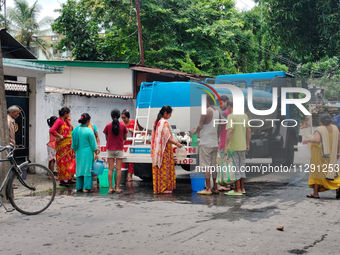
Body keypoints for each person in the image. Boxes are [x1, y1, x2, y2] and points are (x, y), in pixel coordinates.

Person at [302, 113, 340, 199]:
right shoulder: (335, 129)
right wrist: (338, 153)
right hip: (331, 154)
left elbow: (317, 140)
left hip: (320, 154)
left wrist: (307, 140)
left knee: (317, 172)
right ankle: (338, 187)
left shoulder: (320, 129)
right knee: (332, 171)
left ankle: (315, 193)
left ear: (321, 122)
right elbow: (339, 141)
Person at [191, 95, 221, 195]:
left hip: (206, 142)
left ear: (207, 102)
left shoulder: (205, 111)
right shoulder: (218, 112)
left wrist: (195, 132)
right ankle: (215, 187)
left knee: (206, 166)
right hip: (214, 142)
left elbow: (200, 126)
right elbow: (219, 127)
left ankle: (208, 188)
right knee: (214, 166)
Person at [151, 105, 182, 194]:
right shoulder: (164, 123)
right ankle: (164, 188)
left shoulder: (156, 121)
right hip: (164, 150)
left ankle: (158, 188)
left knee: (158, 169)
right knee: (165, 169)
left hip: (156, 149)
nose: (170, 116)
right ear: (165, 113)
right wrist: (177, 143)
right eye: (170, 114)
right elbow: (167, 138)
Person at [224, 101, 252, 196]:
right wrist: (247, 144)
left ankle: (237, 190)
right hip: (242, 146)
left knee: (235, 168)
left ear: (230, 106)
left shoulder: (231, 116)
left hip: (234, 147)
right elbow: (249, 131)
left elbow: (230, 131)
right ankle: (242, 188)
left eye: (228, 107)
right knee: (242, 167)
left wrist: (226, 145)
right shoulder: (244, 116)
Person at [72, 113, 99, 193]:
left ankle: (79, 187)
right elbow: (94, 145)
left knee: (79, 169)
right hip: (87, 153)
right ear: (87, 121)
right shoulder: (89, 131)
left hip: (78, 153)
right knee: (87, 169)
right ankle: (86, 188)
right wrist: (96, 154)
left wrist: (74, 153)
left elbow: (73, 145)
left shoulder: (75, 131)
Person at [103, 109, 128, 194]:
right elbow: (125, 138)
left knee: (110, 169)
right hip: (119, 149)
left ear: (111, 116)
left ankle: (110, 188)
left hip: (110, 149)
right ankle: (117, 188)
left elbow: (106, 138)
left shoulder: (108, 126)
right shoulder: (123, 126)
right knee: (118, 169)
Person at [50, 107, 76, 186]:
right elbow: (52, 130)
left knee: (69, 162)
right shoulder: (59, 121)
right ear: (65, 113)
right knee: (62, 163)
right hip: (62, 146)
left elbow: (71, 129)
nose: (69, 115)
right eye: (68, 113)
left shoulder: (66, 121)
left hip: (69, 145)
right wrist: (60, 136)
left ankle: (69, 178)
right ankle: (62, 181)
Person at [217, 95, 232, 191]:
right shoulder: (232, 113)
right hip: (231, 142)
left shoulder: (223, 113)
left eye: (221, 102)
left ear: (226, 102)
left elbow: (219, 126)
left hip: (223, 142)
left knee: (223, 164)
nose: (219, 105)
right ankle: (231, 183)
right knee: (230, 164)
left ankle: (226, 185)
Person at [120, 109, 135, 182]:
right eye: (122, 118)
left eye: (125, 117)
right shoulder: (120, 123)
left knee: (131, 161)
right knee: (122, 160)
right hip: (123, 144)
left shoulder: (133, 122)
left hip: (131, 144)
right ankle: (124, 176)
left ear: (128, 117)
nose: (123, 119)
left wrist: (133, 131)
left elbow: (138, 131)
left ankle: (130, 176)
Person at [7, 105, 20, 189]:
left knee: (11, 164)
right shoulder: (8, 121)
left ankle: (11, 182)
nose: (18, 115)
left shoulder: (11, 120)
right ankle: (10, 183)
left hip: (11, 145)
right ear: (12, 112)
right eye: (17, 113)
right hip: (9, 145)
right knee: (9, 164)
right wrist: (11, 141)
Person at [47, 116, 58, 180]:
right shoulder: (54, 129)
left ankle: (50, 174)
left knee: (51, 160)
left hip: (50, 145)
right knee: (52, 160)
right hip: (53, 145)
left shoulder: (51, 128)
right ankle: (51, 175)